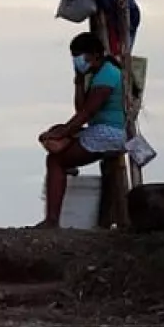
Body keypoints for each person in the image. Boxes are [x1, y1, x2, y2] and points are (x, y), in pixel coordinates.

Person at [36, 32, 127, 229]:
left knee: (55, 160)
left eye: (79, 55)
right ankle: (68, 162)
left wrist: (63, 133)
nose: (77, 60)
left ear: (94, 54)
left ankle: (52, 220)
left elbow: (87, 112)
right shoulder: (96, 75)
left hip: (109, 133)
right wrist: (78, 81)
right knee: (57, 135)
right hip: (100, 129)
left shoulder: (108, 74)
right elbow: (80, 107)